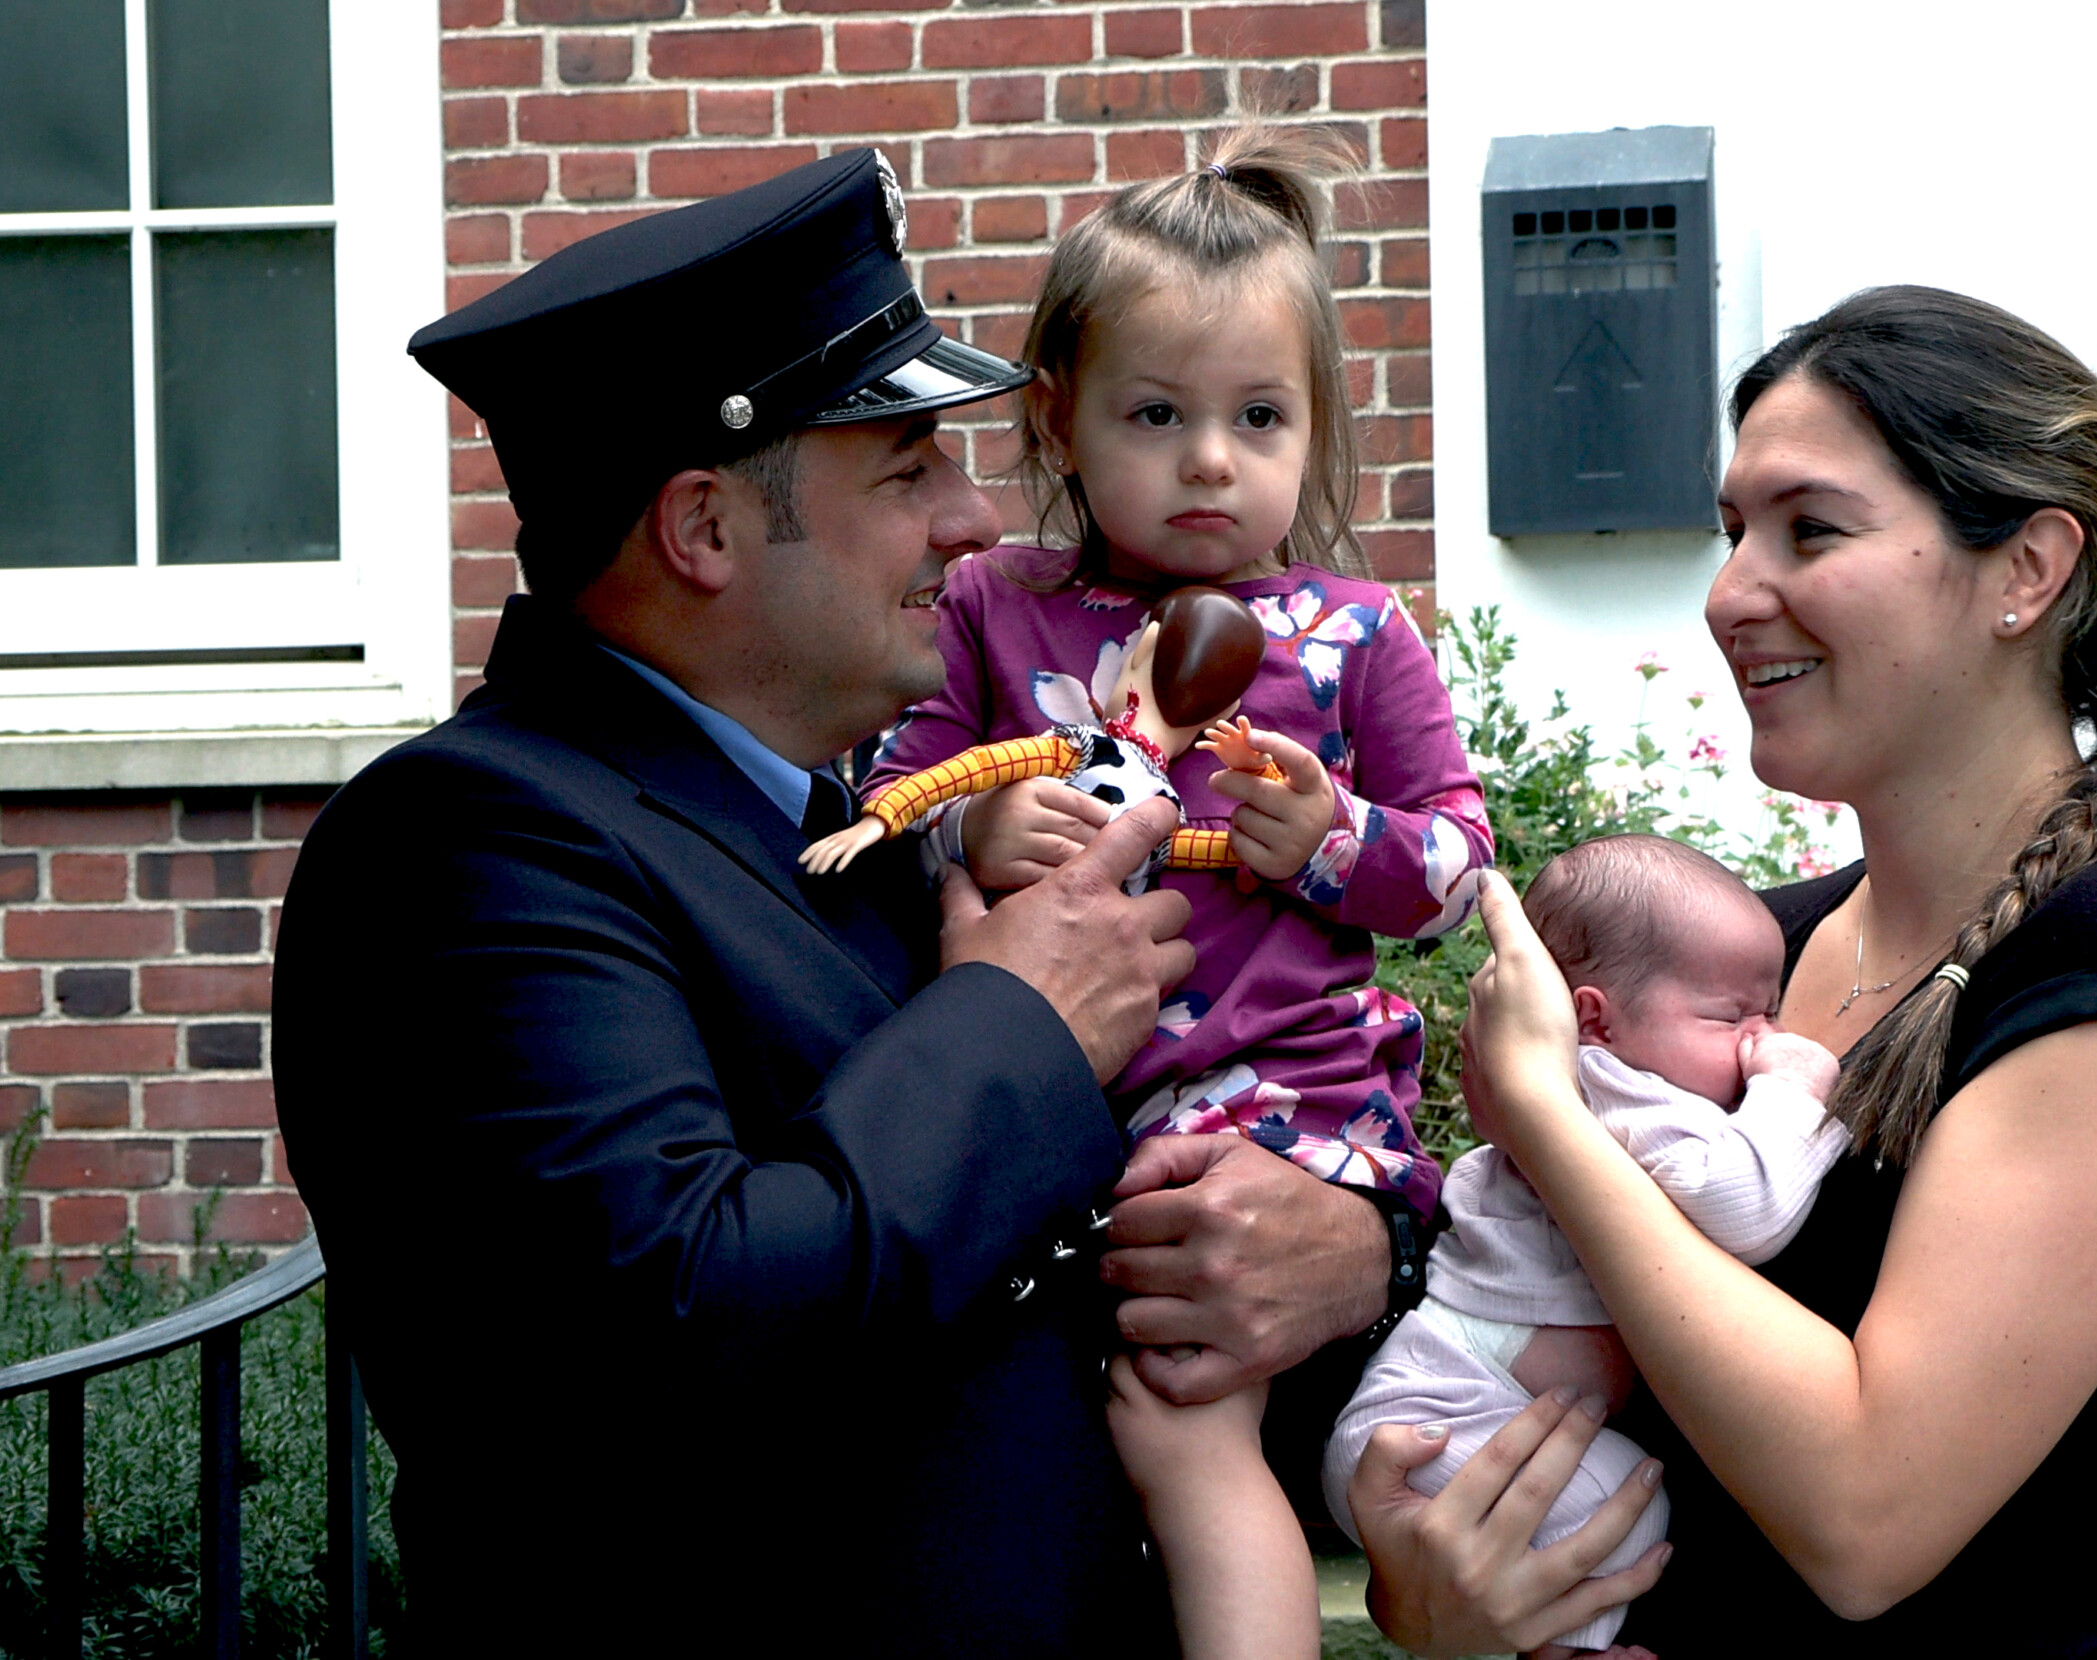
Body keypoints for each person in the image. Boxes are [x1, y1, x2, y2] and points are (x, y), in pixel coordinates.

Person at [271, 150, 1403, 1654]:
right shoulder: (466, 847)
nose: (973, 521)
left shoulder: (851, 831)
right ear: (706, 531)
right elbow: (687, 1319)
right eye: (908, 468)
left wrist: (1354, 1255)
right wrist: (1021, 1021)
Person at [1345, 286, 2097, 1658]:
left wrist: (1553, 1118)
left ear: (2028, 570)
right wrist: (1450, 1597)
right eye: (1735, 529)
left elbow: (1865, 1518)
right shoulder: (1751, 958)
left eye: (1812, 528)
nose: (1734, 592)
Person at [862, 125, 1491, 1660]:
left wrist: (1335, 839)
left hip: (1281, 1102)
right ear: (1063, 421)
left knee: (1177, 1412)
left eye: (1259, 416)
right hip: (1052, 1112)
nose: (1212, 460)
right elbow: (888, 785)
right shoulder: (993, 604)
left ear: (1316, 427)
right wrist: (978, 822)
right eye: (1159, 413)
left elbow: (1460, 866)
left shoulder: (1353, 637)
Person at [1322, 834, 1847, 1656]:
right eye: (1730, 1016)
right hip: (1443, 1414)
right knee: (1623, 1506)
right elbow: (1748, 1210)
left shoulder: (1609, 1082)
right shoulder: (1615, 1088)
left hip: (1445, 1418)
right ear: (1595, 1017)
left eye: (1769, 1013)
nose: (1757, 1038)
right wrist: (1793, 1089)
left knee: (1610, 1505)